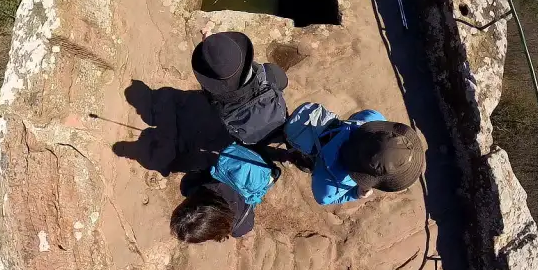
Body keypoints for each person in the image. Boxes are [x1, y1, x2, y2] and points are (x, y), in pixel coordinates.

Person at [285, 102, 425, 206]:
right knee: (308, 163)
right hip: (313, 155)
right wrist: (355, 193)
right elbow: (322, 200)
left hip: (317, 122)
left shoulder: (374, 117)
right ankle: (299, 158)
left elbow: (356, 116)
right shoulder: (328, 187)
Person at [191, 31, 289, 147]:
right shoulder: (271, 74)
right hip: (279, 124)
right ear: (244, 57)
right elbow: (284, 82)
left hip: (250, 138)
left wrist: (211, 54)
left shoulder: (217, 102)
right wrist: (220, 48)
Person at [171, 140, 278, 242]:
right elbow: (193, 175)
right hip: (240, 153)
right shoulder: (191, 187)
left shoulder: (240, 227)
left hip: (265, 172)